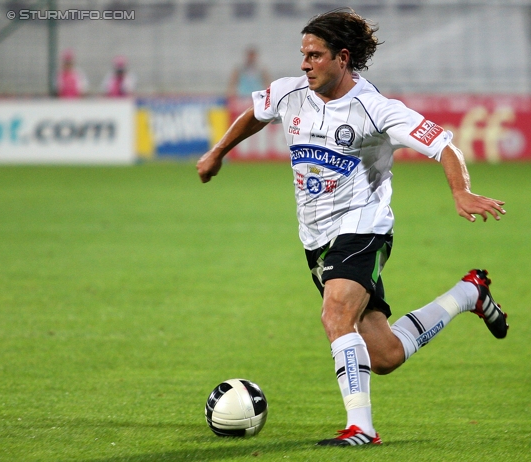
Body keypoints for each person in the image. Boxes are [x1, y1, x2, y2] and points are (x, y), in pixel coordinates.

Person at [197, 8, 508, 446]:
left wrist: (460, 191)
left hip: (364, 227)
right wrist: (219, 151)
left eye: (315, 55)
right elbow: (256, 112)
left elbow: (443, 144)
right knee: (384, 355)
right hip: (316, 239)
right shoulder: (290, 93)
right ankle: (468, 294)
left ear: (342, 58)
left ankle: (361, 427)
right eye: (303, 54)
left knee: (335, 314)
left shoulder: (375, 108)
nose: (305, 63)